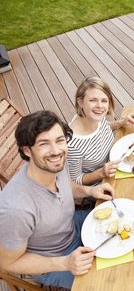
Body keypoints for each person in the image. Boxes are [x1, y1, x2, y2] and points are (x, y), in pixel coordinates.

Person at [0, 110, 116, 289]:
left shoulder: (56, 164)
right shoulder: (15, 208)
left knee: (126, 221)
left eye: (60, 140)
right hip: (54, 260)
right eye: (44, 144)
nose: (56, 151)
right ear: (26, 150)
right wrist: (65, 263)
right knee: (110, 282)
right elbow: (8, 263)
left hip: (73, 226)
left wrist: (90, 190)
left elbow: (65, 185)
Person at [67, 77, 134, 185]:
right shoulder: (72, 144)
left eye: (104, 101)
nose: (100, 106)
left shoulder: (94, 117)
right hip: (101, 184)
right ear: (80, 102)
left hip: (118, 164)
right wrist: (101, 173)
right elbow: (74, 180)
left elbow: (103, 128)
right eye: (93, 100)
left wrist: (121, 122)